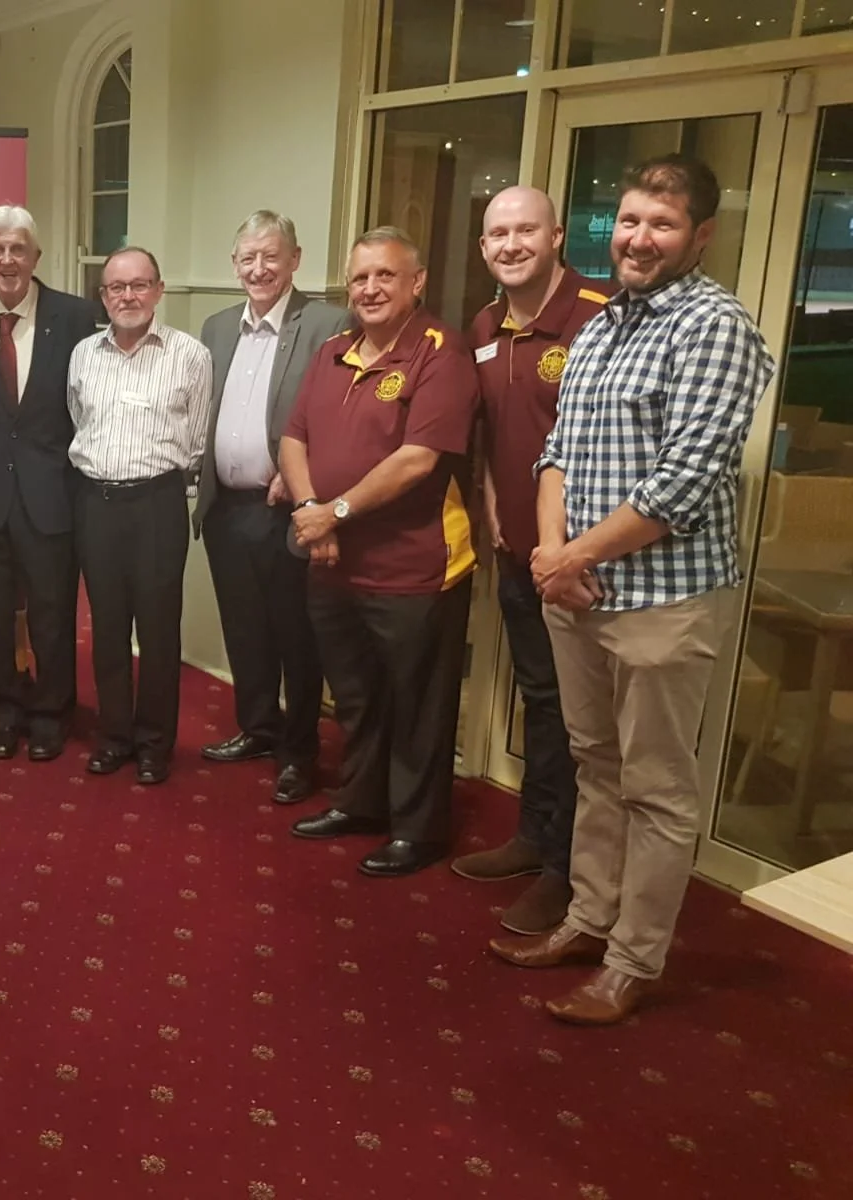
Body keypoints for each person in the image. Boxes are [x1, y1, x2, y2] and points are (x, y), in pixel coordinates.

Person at [490, 155, 774, 1025]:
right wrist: (551, 554)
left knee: (655, 789)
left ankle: (634, 959)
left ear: (702, 234)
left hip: (662, 599)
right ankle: (588, 919)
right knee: (597, 768)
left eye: (662, 224)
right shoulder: (604, 324)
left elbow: (683, 482)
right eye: (629, 220)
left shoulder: (716, 326)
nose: (639, 238)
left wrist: (570, 557)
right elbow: (556, 455)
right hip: (576, 593)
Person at [280, 227, 479, 878]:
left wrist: (333, 512)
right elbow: (294, 438)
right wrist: (314, 513)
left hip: (414, 567)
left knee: (418, 704)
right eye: (360, 277)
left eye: (385, 276)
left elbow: (418, 459)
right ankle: (360, 802)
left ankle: (419, 829)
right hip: (334, 563)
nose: (370, 288)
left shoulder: (441, 353)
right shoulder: (333, 351)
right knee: (357, 695)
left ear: (416, 282)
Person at [453, 188, 608, 934]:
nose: (511, 245)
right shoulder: (485, 326)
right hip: (518, 551)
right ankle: (537, 837)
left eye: (525, 231)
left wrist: (575, 548)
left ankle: (568, 873)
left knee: (584, 723)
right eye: (497, 234)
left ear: (556, 236)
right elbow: (488, 432)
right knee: (541, 702)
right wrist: (487, 498)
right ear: (484, 247)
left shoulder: (600, 316)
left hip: (586, 563)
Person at [0, 206, 101, 762]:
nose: (8, 260)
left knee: (53, 614)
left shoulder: (75, 316)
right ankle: (1, 709)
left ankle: (51, 712)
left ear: (36, 256)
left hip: (52, 492)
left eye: (18, 249)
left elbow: (86, 406)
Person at [194, 211, 347, 804]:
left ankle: (299, 753)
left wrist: (299, 471)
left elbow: (340, 416)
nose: (259, 269)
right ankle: (258, 727)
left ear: (295, 260)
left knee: (295, 637)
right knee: (245, 629)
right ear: (234, 265)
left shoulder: (328, 324)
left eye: (271, 256)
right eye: (248, 258)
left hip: (286, 511)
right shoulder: (216, 327)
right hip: (225, 508)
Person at [68, 246, 212, 785]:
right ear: (103, 296)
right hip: (95, 504)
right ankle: (113, 736)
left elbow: (197, 440)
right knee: (106, 628)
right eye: (116, 287)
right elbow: (77, 419)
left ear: (158, 290)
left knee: (157, 630)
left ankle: (154, 743)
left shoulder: (191, 355)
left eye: (139, 285)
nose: (127, 296)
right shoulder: (84, 354)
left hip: (157, 504)